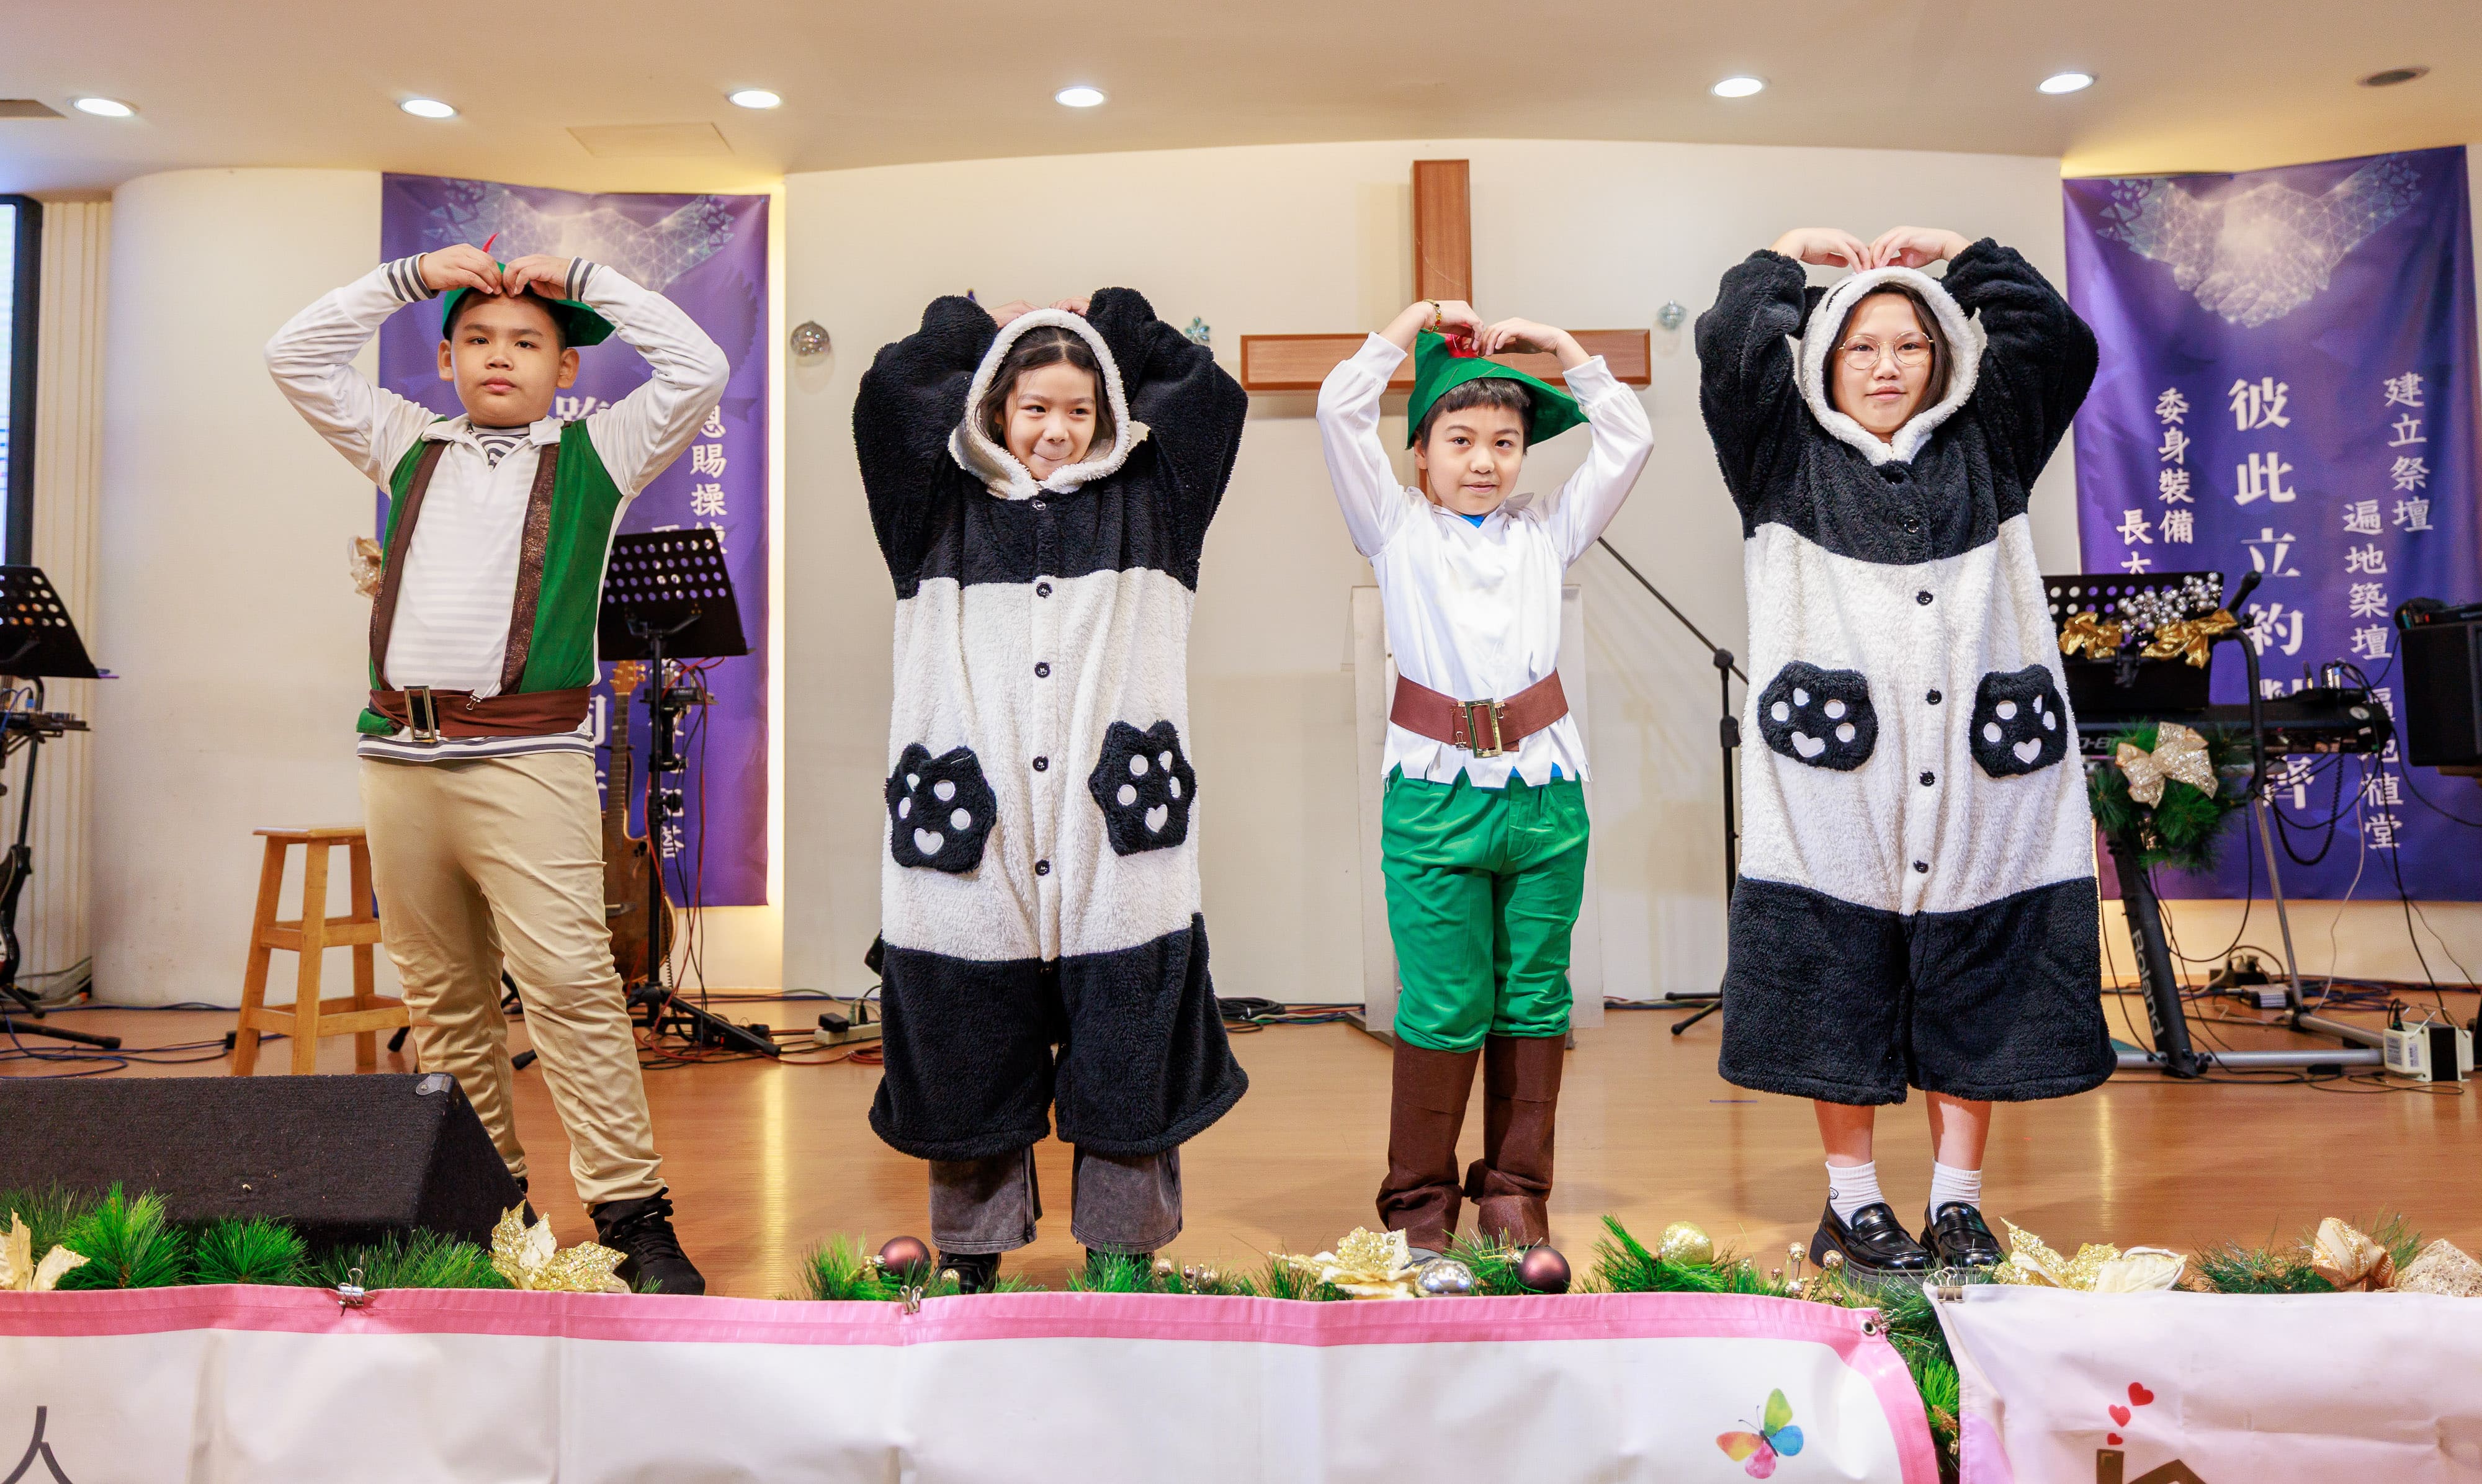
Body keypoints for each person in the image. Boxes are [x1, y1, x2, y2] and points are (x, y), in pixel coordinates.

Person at [266, 243, 726, 1293]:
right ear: (446, 360)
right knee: (443, 1001)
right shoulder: (406, 441)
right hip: (400, 756)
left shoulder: (601, 451)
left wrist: (585, 281)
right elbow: (292, 354)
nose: (500, 357)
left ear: (566, 369)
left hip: (529, 760)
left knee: (571, 986)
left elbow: (699, 367)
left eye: (526, 342)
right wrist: (412, 276)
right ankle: (486, 1213)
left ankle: (633, 1221)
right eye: (477, 340)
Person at [1696, 225, 2113, 1276]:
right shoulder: (1779, 454)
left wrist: (1967, 256)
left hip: (1984, 773)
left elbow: (2058, 342)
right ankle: (1853, 1205)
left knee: (1977, 973)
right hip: (1834, 788)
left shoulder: (1993, 441)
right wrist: (1782, 257)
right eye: (1862, 347)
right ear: (1825, 357)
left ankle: (1959, 1204)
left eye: (1911, 346)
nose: (1887, 367)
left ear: (1946, 356)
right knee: (1838, 981)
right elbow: (1732, 344)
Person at [853, 289, 1251, 1292]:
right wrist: (973, 328)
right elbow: (890, 392)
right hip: (967, 839)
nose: (1056, 430)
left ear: (1108, 413)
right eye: (1034, 407)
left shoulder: (1155, 502)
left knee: (1130, 1039)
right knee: (964, 1036)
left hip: (1114, 843)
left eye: (1080, 409)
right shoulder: (929, 506)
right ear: (994, 408)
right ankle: (971, 1254)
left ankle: (1123, 1253)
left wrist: (1116, 319)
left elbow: (1211, 399)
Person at [1316, 299, 1653, 1254]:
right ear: (1420, 451)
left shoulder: (1547, 529)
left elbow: (1629, 438)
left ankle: (1515, 1202)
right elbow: (1341, 408)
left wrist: (1567, 351)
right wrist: (1414, 321)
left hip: (1547, 795)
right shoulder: (1393, 527)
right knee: (1441, 1002)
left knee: (1536, 998)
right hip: (1434, 798)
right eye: (1459, 440)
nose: (1483, 461)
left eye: (1505, 443)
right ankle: (1419, 1213)